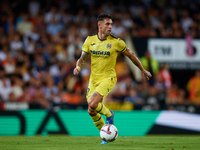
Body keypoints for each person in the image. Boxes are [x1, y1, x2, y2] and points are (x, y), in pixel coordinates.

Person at [73, 13, 152, 144]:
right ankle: (105, 137)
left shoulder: (116, 42)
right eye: (107, 24)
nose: (110, 27)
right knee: (91, 110)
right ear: (100, 25)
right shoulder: (89, 40)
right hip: (93, 80)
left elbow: (131, 56)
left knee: (93, 103)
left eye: (111, 24)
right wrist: (78, 68)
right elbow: (82, 59)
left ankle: (109, 114)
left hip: (108, 78)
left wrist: (143, 70)